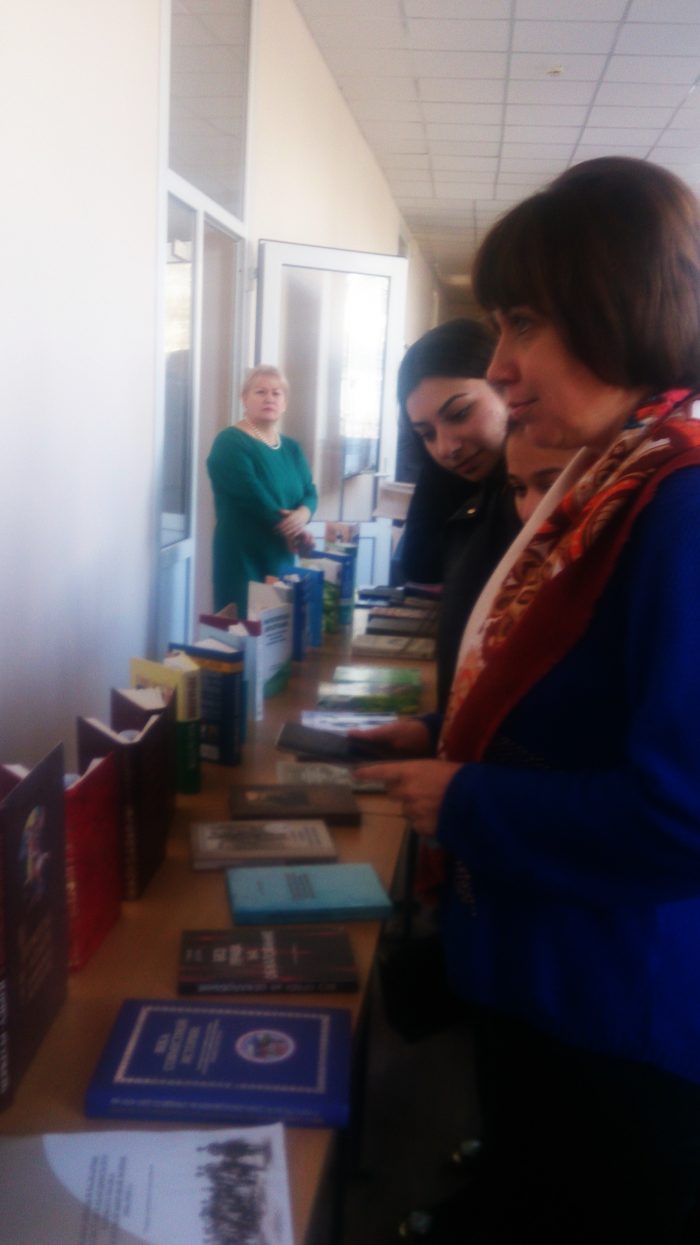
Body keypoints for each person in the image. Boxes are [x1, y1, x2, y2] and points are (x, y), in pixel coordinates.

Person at [356, 157, 700, 1244]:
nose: (501, 366)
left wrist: (463, 799)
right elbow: (566, 695)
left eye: (524, 324)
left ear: (621, 305)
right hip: (536, 961)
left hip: (612, 996)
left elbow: (682, 814)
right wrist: (444, 734)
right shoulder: (616, 475)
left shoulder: (681, 501)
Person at [395, 319, 519, 713]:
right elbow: (419, 562)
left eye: (460, 413)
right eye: (426, 434)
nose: (446, 447)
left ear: (507, 388)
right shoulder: (472, 484)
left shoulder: (533, 491)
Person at [207, 366, 317, 616]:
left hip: (281, 555)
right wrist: (296, 529)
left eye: (277, 393)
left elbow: (310, 491)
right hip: (242, 557)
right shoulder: (229, 442)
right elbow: (253, 497)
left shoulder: (291, 447)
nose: (269, 398)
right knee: (243, 628)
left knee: (279, 628)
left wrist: (303, 514)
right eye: (260, 392)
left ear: (285, 403)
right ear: (244, 399)